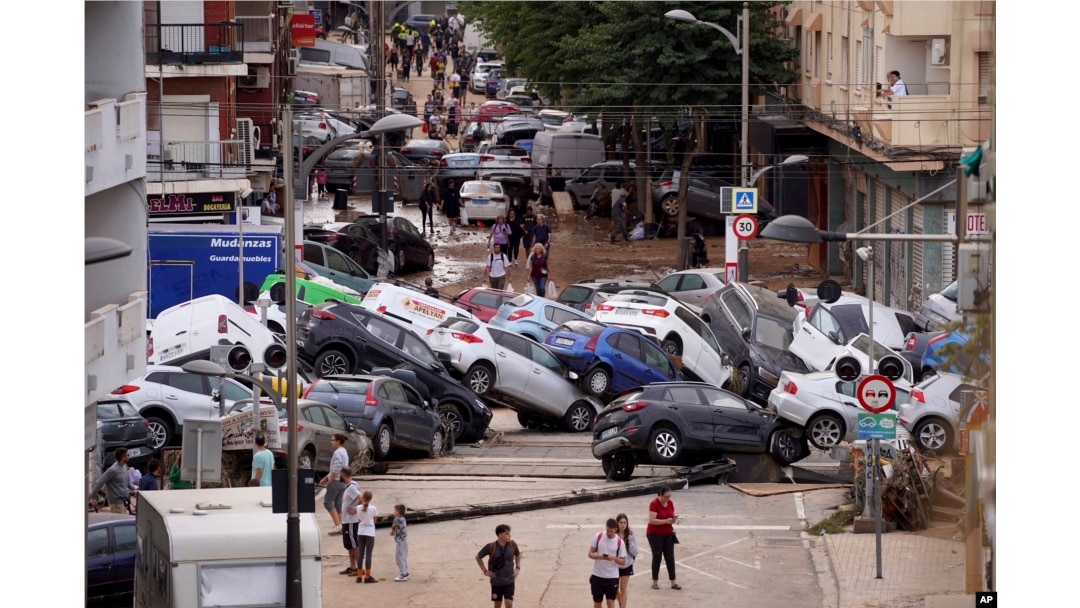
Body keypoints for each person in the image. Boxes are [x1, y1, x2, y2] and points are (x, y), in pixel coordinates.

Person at [476, 524, 521, 608]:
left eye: (509, 533)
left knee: (509, 603)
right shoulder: (491, 546)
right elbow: (478, 557)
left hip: (509, 580)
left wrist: (517, 568)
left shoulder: (512, 544)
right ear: (500, 535)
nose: (509, 535)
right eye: (506, 534)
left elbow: (518, 555)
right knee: (497, 605)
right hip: (496, 582)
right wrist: (485, 571)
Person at [646, 486, 680, 590]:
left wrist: (673, 520)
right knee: (657, 556)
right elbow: (651, 520)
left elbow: (672, 514)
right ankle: (654, 581)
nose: (667, 499)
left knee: (670, 557)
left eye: (669, 496)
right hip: (655, 534)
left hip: (668, 533)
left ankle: (673, 582)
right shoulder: (654, 504)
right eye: (665, 497)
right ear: (660, 495)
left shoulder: (670, 503)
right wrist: (665, 521)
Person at [589, 518, 628, 608]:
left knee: (610, 603)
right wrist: (599, 556)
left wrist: (614, 558)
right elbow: (590, 553)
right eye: (607, 531)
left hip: (612, 577)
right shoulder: (598, 536)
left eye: (611, 531)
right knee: (597, 603)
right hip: (597, 575)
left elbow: (623, 562)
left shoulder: (619, 542)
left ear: (616, 529)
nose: (609, 533)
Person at [89, 447, 138, 514]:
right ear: (123, 457)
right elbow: (99, 482)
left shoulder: (124, 466)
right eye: (127, 455)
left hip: (123, 501)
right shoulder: (112, 470)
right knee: (121, 521)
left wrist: (134, 489)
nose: (128, 456)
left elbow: (128, 482)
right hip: (116, 502)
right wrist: (93, 497)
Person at [318, 433, 350, 536]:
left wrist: (330, 480)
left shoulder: (337, 453)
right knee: (338, 503)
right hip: (342, 481)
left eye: (332, 440)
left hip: (336, 481)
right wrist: (326, 477)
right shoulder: (344, 451)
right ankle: (341, 524)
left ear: (338, 441)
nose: (331, 442)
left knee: (327, 502)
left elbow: (336, 468)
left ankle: (337, 525)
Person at [339, 468, 362, 577]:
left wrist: (356, 510)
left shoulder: (352, 487)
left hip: (351, 521)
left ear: (343, 474)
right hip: (347, 521)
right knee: (349, 545)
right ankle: (352, 566)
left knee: (354, 544)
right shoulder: (349, 487)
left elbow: (361, 498)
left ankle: (358, 567)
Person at [354, 489, 379, 583]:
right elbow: (375, 521)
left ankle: (359, 575)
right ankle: (368, 576)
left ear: (362, 498)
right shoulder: (373, 508)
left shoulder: (358, 508)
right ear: (371, 498)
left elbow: (359, 520)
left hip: (361, 531)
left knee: (360, 554)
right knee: (368, 555)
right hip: (370, 532)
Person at [615, 514, 639, 608]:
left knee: (623, 587)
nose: (623, 525)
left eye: (625, 522)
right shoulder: (614, 535)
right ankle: (621, 602)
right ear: (617, 523)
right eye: (621, 522)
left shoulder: (631, 534)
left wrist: (631, 542)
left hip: (627, 564)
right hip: (615, 565)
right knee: (614, 588)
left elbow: (635, 552)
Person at [391, 503, 409, 581]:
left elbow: (393, 526)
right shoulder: (403, 518)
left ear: (397, 512)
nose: (393, 512)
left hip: (400, 541)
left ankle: (403, 574)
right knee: (403, 557)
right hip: (405, 539)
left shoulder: (396, 519)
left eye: (394, 510)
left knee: (399, 557)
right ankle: (406, 571)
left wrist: (392, 531)